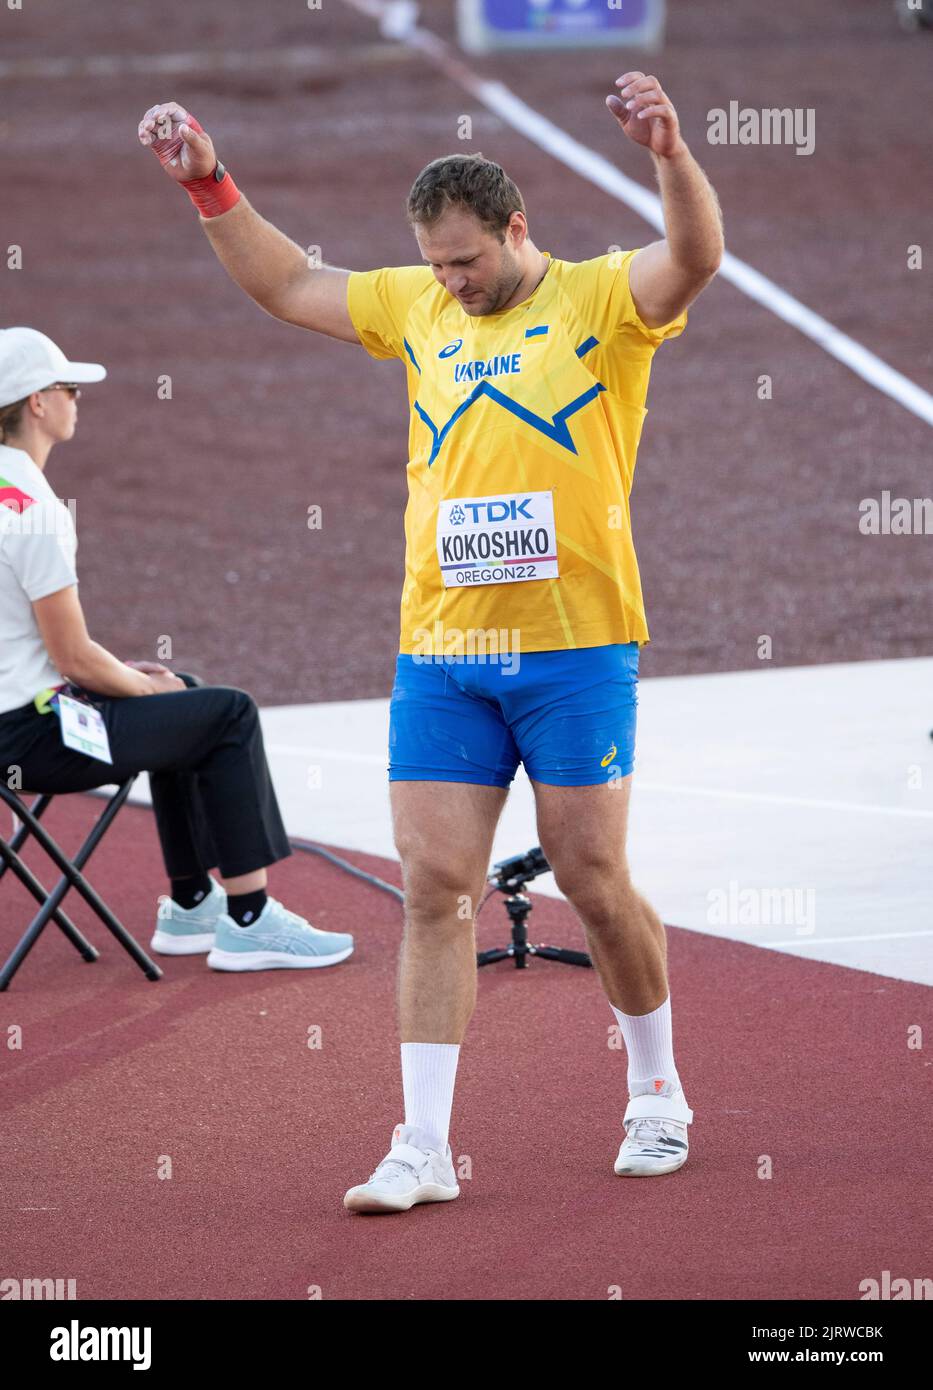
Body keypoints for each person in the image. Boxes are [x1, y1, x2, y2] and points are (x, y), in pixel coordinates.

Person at [137, 68, 722, 1208]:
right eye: (435, 265)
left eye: (466, 261)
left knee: (594, 875)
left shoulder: (603, 299)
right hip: (444, 653)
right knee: (433, 885)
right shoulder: (414, 304)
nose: (450, 284)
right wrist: (209, 183)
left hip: (575, 647)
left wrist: (670, 152)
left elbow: (693, 257)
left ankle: (656, 1094)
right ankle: (423, 1144)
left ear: (515, 227)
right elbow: (292, 282)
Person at [0, 327, 353, 973]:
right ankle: (249, 918)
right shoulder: (35, 510)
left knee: (182, 688)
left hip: (17, 719)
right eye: (69, 388)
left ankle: (192, 903)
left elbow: (36, 645)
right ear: (38, 403)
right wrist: (143, 688)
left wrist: (139, 682)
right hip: (30, 739)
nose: (79, 400)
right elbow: (73, 658)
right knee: (226, 713)